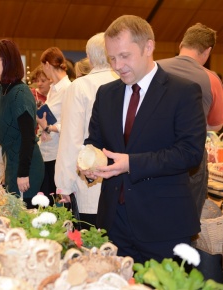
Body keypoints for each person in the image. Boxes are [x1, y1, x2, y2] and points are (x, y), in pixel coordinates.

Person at [79, 15, 206, 263]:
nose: (117, 65)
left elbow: (190, 153)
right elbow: (93, 142)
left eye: (125, 56)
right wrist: (89, 165)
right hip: (115, 221)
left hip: (164, 224)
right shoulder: (106, 94)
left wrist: (131, 163)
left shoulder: (182, 91)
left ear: (149, 47)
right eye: (112, 58)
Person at [157, 23, 223, 218]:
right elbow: (215, 125)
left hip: (151, 152)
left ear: (181, 44)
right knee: (188, 215)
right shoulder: (210, 79)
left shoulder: (153, 69)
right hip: (190, 157)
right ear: (208, 51)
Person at [55, 33, 119, 228]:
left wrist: (63, 184)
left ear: (89, 58)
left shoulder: (80, 86)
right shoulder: (125, 81)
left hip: (89, 178)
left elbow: (71, 139)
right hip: (121, 179)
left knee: (92, 241)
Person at [0, 39, 44, 207]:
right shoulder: (3, 89)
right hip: (13, 164)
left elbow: (28, 137)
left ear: (8, 62)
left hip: (27, 168)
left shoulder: (20, 93)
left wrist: (22, 173)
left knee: (24, 219)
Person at [36, 47, 71, 205]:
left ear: (48, 65)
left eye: (43, 66)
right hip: (47, 150)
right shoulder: (54, 89)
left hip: (58, 153)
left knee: (55, 202)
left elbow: (71, 123)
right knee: (47, 200)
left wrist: (48, 127)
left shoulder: (68, 88)